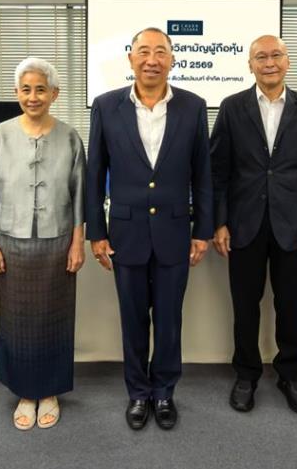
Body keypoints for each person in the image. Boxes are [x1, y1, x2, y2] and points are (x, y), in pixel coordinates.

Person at [86, 27, 213, 431]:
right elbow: (95, 173)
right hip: (126, 233)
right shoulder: (106, 106)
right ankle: (138, 392)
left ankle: (164, 392)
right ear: (131, 58)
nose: (152, 60)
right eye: (144, 51)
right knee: (133, 319)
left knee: (170, 321)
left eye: (161, 52)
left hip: (175, 231)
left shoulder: (194, 106)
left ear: (172, 59)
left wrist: (202, 230)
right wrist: (96, 232)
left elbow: (203, 174)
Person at [0, 57, 86, 431]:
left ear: (54, 94)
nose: (33, 97)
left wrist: (77, 244)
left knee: (56, 319)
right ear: (17, 92)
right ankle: (25, 393)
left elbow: (80, 196)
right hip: (11, 244)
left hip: (58, 243)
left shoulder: (70, 137)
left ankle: (49, 393)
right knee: (16, 320)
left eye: (41, 90)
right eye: (26, 89)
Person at [210, 34, 297, 414]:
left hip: (293, 226)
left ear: (288, 62)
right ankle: (246, 375)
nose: (269, 62)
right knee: (245, 305)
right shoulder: (232, 107)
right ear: (250, 65)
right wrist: (219, 222)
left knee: (290, 305)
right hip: (244, 223)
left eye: (276, 55)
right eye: (261, 57)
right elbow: (218, 172)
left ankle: (291, 375)